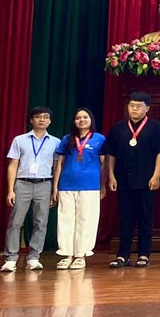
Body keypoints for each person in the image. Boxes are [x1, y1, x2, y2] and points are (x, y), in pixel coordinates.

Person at [103, 92, 160, 268]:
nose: (134, 109)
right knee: (125, 218)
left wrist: (156, 176)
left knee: (146, 217)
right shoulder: (119, 128)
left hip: (147, 180)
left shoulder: (156, 128)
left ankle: (144, 254)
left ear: (147, 108)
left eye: (139, 106)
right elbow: (111, 154)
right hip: (123, 180)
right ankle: (123, 255)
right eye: (132, 105)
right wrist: (111, 176)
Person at [0, 107, 59, 272]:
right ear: (31, 120)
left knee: (41, 222)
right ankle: (11, 258)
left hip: (45, 183)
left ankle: (34, 257)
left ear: (50, 121)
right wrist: (10, 189)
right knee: (15, 221)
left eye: (45, 117)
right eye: (38, 117)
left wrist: (55, 189)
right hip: (22, 183)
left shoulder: (56, 142)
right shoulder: (20, 140)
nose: (42, 120)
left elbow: (57, 167)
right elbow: (13, 165)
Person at [52, 108, 106, 270]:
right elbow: (59, 164)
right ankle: (67, 254)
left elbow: (105, 164)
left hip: (90, 186)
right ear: (74, 121)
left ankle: (81, 255)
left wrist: (102, 185)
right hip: (66, 185)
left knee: (86, 220)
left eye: (85, 117)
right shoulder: (67, 139)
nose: (81, 120)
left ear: (91, 120)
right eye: (78, 118)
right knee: (65, 220)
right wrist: (55, 187)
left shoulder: (99, 139)